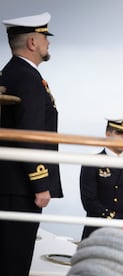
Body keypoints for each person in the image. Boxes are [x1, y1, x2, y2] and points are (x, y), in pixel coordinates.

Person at [0, 12, 63, 275]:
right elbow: (30, 132)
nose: (49, 42)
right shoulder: (27, 79)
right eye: (45, 37)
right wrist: (40, 183)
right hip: (20, 187)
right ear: (32, 43)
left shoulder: (11, 73)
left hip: (11, 184)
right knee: (14, 260)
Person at [80, 118, 123, 239]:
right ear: (108, 134)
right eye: (119, 133)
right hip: (98, 233)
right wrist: (115, 222)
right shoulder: (92, 163)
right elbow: (89, 201)